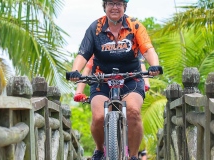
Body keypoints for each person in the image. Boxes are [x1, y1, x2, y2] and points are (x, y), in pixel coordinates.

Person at [69, 0, 161, 159]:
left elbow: (148, 50)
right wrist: (75, 71)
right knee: (98, 117)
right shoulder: (95, 28)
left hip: (131, 78)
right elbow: (83, 53)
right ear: (104, 6)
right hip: (101, 80)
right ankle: (99, 150)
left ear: (125, 7)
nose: (115, 7)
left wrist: (154, 66)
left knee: (133, 111)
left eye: (119, 3)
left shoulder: (135, 26)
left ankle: (133, 155)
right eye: (111, 3)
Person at [74, 53, 150, 102]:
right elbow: (86, 71)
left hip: (127, 83)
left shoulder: (131, 44)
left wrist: (146, 83)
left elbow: (141, 66)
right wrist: (79, 92)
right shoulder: (98, 49)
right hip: (103, 84)